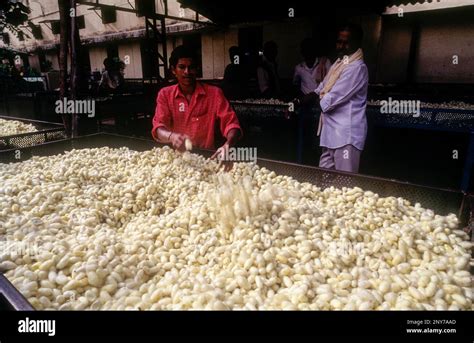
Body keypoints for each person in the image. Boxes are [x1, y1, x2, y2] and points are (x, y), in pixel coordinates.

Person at [152, 45, 242, 164]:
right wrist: (171, 136)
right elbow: (159, 127)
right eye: (182, 67)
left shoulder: (214, 94)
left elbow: (231, 123)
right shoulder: (165, 94)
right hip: (176, 161)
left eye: (191, 67)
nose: (187, 72)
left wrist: (228, 144)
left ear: (197, 69)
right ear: (173, 70)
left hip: (206, 159)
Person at [297, 23, 368, 173]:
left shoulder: (357, 68)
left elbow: (329, 101)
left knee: (345, 187)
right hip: (330, 135)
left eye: (346, 43)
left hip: (346, 137)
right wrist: (298, 101)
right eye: (339, 42)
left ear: (357, 43)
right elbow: (321, 87)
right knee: (325, 183)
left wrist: (315, 97)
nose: (341, 46)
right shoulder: (339, 64)